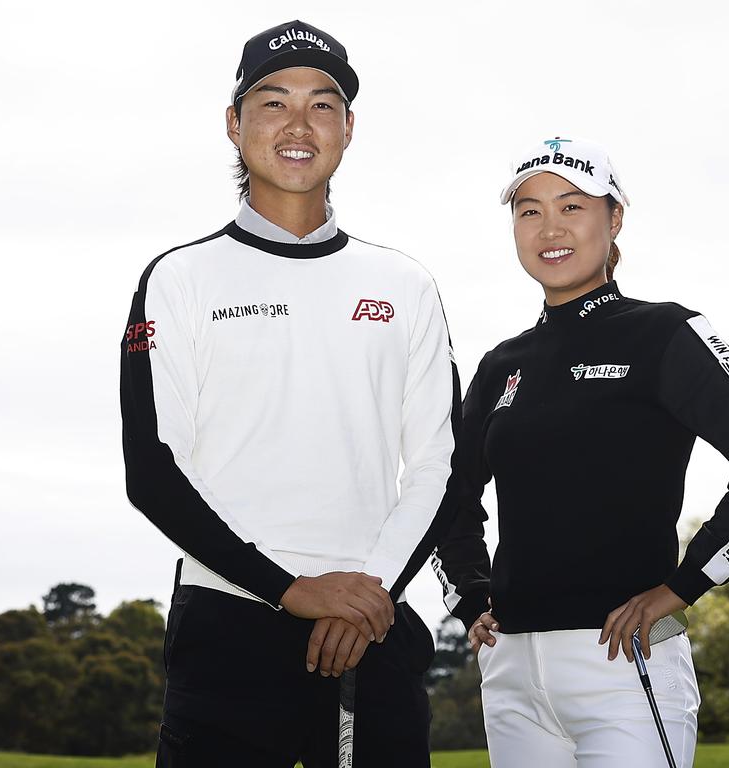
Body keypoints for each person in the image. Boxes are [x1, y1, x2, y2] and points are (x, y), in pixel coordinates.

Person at [120, 20, 461, 768]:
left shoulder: (405, 285)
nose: (299, 124)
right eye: (273, 103)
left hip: (375, 622)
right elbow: (153, 472)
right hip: (229, 627)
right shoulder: (178, 278)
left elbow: (441, 466)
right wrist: (292, 590)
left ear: (347, 128)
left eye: (322, 104)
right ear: (235, 123)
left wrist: (368, 595)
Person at [433, 137, 729, 767]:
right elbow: (450, 495)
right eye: (528, 211)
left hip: (624, 667)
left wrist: (684, 585)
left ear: (613, 221)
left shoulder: (664, 331)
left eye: (572, 206)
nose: (549, 227)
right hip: (512, 674)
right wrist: (471, 598)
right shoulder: (501, 364)